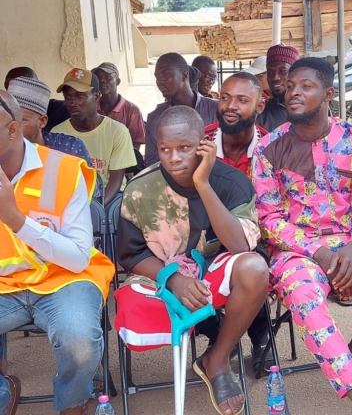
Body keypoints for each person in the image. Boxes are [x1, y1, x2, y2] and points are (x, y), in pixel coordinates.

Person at [253, 57, 352, 415]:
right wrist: (318, 252)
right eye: (291, 86)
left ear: (328, 94)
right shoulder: (269, 148)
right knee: (304, 296)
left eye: (305, 86)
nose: (294, 93)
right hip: (297, 252)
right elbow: (269, 218)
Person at [116, 105, 269, 415]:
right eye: (165, 149)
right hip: (160, 276)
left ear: (204, 144)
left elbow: (240, 245)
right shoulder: (139, 189)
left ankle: (217, 359)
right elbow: (131, 255)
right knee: (130, 306)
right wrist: (173, 279)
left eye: (184, 148)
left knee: (255, 268)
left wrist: (203, 184)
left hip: (217, 276)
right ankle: (209, 326)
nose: (173, 158)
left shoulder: (232, 183)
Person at [0, 90, 114, 415]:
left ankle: (72, 403)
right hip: (5, 286)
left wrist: (16, 220)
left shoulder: (63, 169)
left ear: (12, 130)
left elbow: (77, 257)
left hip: (64, 280)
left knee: (80, 339)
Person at [203, 72, 273, 374]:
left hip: (258, 237)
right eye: (225, 98)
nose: (230, 106)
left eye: (242, 100)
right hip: (205, 237)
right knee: (183, 270)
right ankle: (220, 331)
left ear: (260, 106)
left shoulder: (272, 147)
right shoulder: (200, 142)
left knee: (252, 260)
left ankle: (258, 336)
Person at [51, 68, 137, 205]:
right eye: (68, 97)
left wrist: (95, 210)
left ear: (96, 96)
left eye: (79, 96)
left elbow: (115, 182)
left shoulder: (117, 131)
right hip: (71, 201)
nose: (72, 103)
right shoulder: (57, 134)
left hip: (110, 198)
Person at [145, 53, 218, 166]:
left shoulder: (216, 110)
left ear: (184, 76)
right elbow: (152, 164)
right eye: (157, 77)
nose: (160, 81)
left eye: (165, 74)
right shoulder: (154, 118)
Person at [7, 77, 91, 163]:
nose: (11, 128)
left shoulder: (71, 148)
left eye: (21, 120)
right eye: (7, 120)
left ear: (42, 121)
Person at [92, 62, 146, 150]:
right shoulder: (91, 107)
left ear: (117, 81)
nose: (102, 80)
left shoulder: (132, 110)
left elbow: (136, 143)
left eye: (108, 77)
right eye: (99, 78)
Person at [4, 66, 70, 133]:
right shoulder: (4, 110)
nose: (11, 91)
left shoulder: (61, 110)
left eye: (22, 87)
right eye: (7, 86)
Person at [256, 44, 300, 132]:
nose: (275, 78)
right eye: (270, 73)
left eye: (283, 71)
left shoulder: (313, 109)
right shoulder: (261, 113)